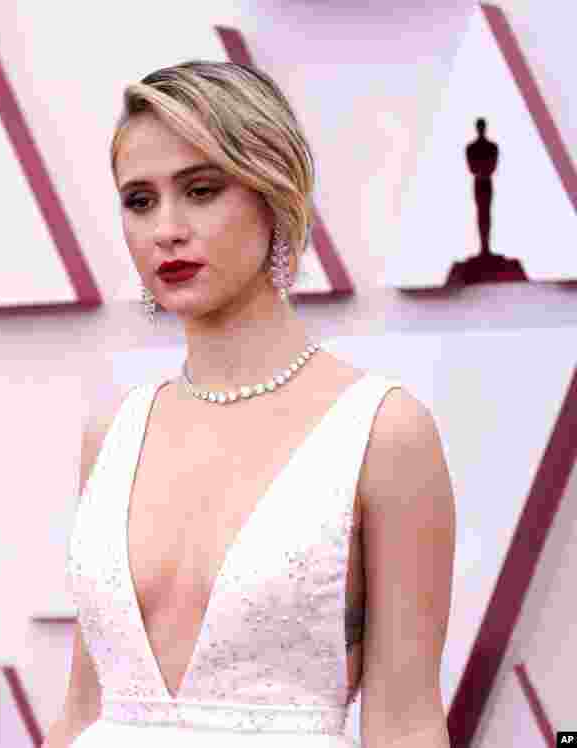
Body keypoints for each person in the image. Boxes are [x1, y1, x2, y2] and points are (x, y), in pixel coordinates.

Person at [42, 61, 455, 747]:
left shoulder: (384, 433)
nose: (166, 229)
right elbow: (83, 709)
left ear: (274, 191)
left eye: (201, 190)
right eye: (139, 201)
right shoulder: (111, 434)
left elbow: (407, 724)